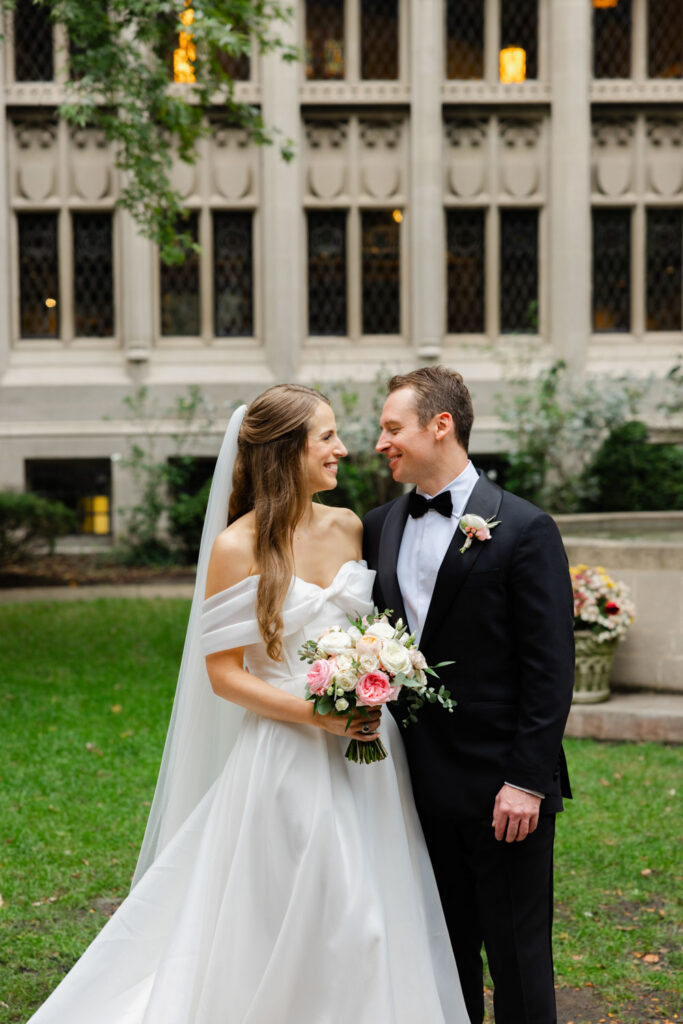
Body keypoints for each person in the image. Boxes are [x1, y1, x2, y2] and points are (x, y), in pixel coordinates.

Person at [27, 384, 470, 1024]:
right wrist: (316, 714)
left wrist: (379, 673)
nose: (343, 448)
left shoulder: (350, 527)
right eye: (326, 437)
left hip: (368, 756)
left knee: (376, 908)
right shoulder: (236, 548)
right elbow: (225, 677)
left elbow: (381, 627)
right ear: (287, 450)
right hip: (286, 759)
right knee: (316, 908)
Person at [363, 367, 575, 1024]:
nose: (379, 443)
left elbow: (549, 668)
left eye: (391, 427)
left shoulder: (523, 528)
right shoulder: (377, 527)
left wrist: (526, 781)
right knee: (438, 948)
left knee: (516, 954)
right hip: (411, 786)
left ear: (440, 425)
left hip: (501, 789)